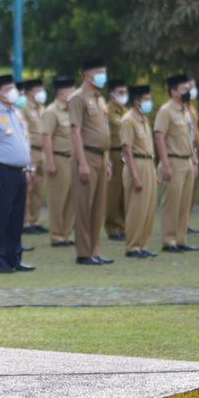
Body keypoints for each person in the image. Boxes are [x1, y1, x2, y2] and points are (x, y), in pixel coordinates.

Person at [0, 75, 36, 273]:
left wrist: (29, 167)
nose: (15, 92)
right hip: (0, 172)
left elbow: (24, 142)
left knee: (16, 218)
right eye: (9, 88)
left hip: (19, 173)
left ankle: (14, 258)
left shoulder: (16, 113)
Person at [68, 57, 115, 266]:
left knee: (98, 207)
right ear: (88, 75)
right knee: (84, 206)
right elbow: (75, 130)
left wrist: (108, 161)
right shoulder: (78, 98)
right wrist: (82, 162)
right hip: (86, 156)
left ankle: (95, 249)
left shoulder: (99, 98)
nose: (103, 76)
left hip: (102, 156)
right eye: (99, 72)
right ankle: (84, 252)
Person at [154, 74, 199, 254]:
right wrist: (165, 164)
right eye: (184, 89)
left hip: (187, 160)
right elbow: (159, 137)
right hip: (173, 160)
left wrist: (194, 159)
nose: (188, 92)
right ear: (174, 92)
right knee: (171, 203)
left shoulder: (185, 110)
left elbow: (190, 137)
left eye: (188, 89)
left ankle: (181, 239)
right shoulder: (166, 111)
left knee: (184, 203)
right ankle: (169, 240)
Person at [119, 84, 159, 258]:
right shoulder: (128, 120)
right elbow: (127, 149)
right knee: (136, 208)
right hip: (136, 164)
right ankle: (133, 246)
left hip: (148, 164)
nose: (149, 102)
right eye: (146, 99)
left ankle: (143, 244)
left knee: (148, 208)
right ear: (136, 102)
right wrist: (135, 175)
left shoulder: (144, 119)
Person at [40, 76, 78, 248]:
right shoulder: (51, 111)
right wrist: (49, 162)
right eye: (71, 90)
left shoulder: (73, 111)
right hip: (58, 157)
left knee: (71, 198)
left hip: (72, 159)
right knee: (58, 198)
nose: (74, 93)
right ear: (63, 93)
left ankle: (66, 233)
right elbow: (46, 137)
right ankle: (56, 235)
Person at [104, 78, 130, 242]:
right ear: (112, 95)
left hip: (126, 154)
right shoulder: (106, 112)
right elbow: (105, 136)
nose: (124, 95)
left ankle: (123, 226)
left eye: (125, 92)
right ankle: (113, 227)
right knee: (113, 194)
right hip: (113, 153)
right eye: (120, 92)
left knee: (125, 193)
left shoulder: (126, 112)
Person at [22, 78, 48, 234]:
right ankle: (24, 222)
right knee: (27, 188)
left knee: (39, 189)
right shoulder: (24, 108)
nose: (41, 93)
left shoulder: (43, 108)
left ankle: (34, 221)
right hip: (30, 153)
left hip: (42, 152)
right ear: (30, 92)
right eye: (38, 90)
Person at [182, 74, 199, 235]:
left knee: (191, 191)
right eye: (189, 87)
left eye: (194, 87)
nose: (193, 90)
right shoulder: (179, 109)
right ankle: (178, 223)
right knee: (181, 191)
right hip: (181, 152)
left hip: (193, 151)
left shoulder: (192, 108)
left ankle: (186, 222)